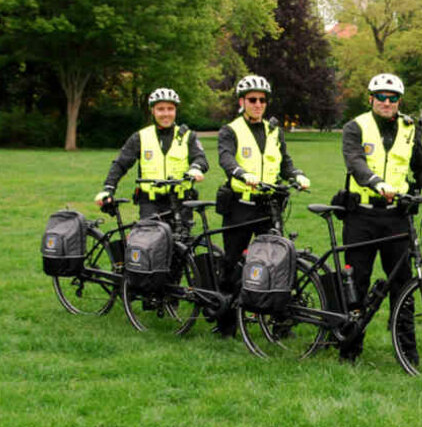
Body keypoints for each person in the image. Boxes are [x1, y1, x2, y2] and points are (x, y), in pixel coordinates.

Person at [338, 73, 422, 362]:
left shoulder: (410, 128)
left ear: (400, 100)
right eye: (382, 97)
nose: (388, 103)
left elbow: (421, 165)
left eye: (394, 98)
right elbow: (354, 161)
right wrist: (375, 181)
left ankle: (407, 352)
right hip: (361, 215)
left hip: (397, 217)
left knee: (403, 284)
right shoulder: (355, 127)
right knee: (357, 282)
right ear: (371, 98)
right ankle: (350, 347)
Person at [214, 74, 311, 337]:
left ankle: (280, 321)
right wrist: (241, 174)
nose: (258, 104)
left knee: (277, 263)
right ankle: (226, 324)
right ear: (242, 101)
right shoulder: (230, 130)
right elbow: (225, 158)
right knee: (233, 263)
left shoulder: (274, 131)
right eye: (252, 100)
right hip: (241, 206)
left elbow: (284, 162)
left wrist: (296, 175)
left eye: (262, 100)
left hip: (269, 206)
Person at [94, 88, 207, 220]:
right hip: (151, 204)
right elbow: (120, 164)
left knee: (182, 240)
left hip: (181, 201)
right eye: (160, 109)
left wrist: (196, 168)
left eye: (170, 109)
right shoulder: (141, 137)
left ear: (175, 110)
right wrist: (108, 189)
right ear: (152, 111)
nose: (166, 113)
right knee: (150, 238)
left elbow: (200, 158)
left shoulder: (188, 136)